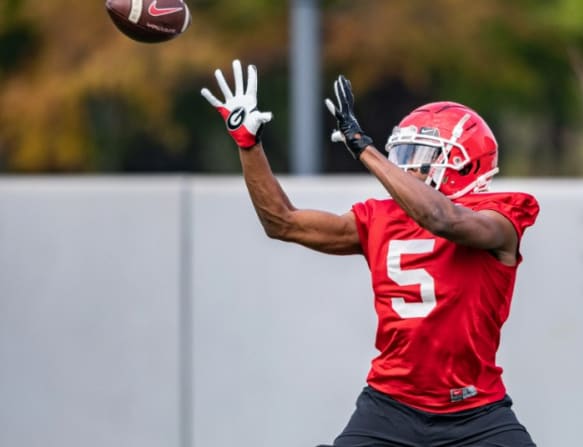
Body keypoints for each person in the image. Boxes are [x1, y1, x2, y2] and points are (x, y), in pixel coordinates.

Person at [201, 59, 539, 447]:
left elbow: (441, 218)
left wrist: (363, 148)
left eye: (422, 156)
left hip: (477, 413)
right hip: (390, 407)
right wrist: (249, 145)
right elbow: (283, 222)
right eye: (406, 153)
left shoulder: (501, 216)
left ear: (464, 164)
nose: (408, 167)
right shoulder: (380, 218)